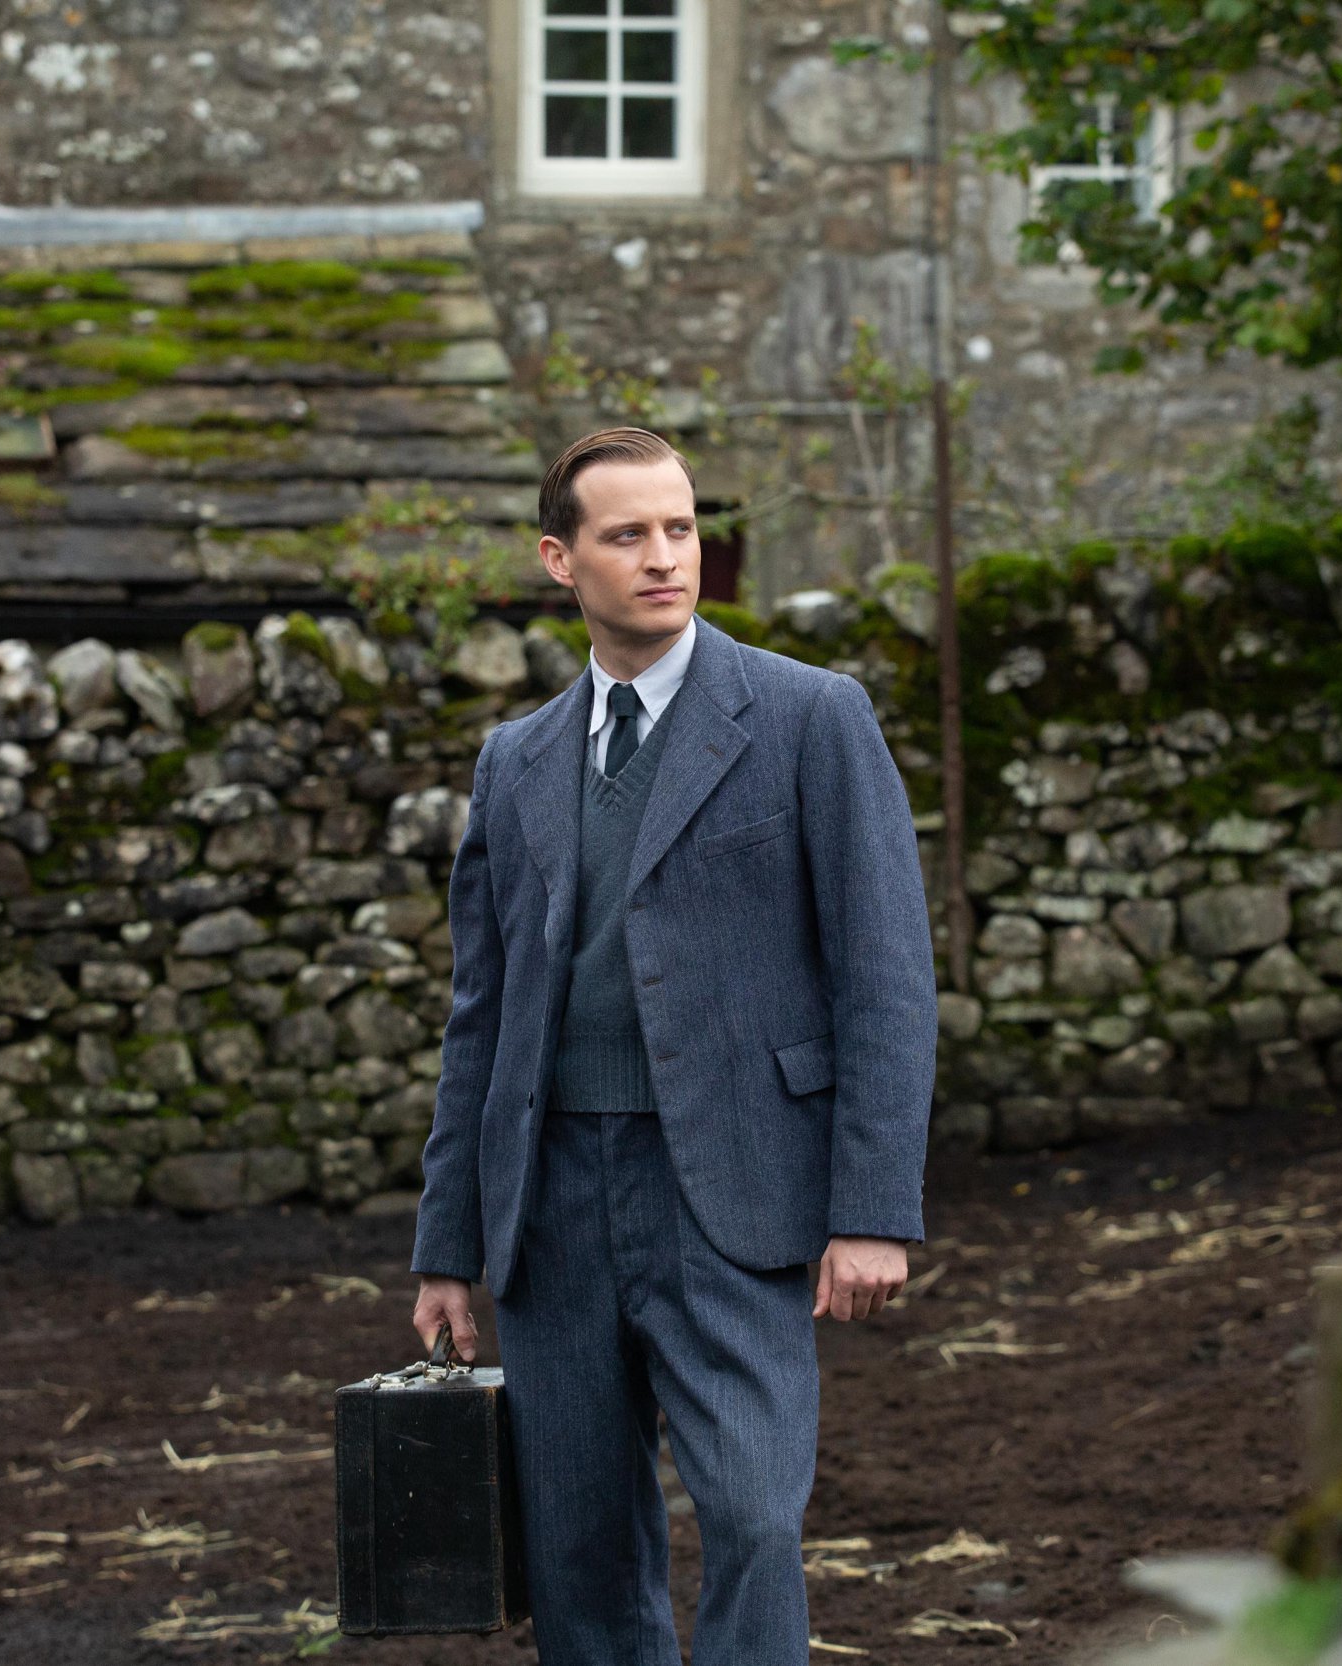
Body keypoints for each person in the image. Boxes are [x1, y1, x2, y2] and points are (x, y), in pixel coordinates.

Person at [407, 427, 939, 1665]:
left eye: (681, 528)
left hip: (739, 1193)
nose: (664, 557)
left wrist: (872, 1209)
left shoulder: (812, 718)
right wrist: (449, 1245)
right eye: (627, 535)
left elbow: (886, 979)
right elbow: (478, 1017)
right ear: (560, 559)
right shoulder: (517, 759)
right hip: (548, 1209)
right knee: (581, 1547)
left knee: (753, 1514)